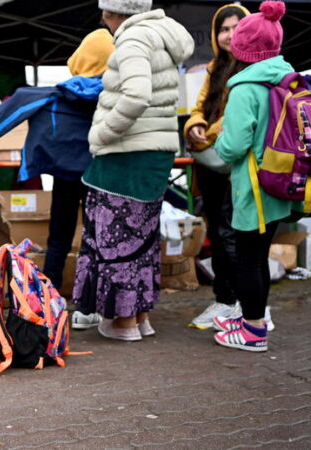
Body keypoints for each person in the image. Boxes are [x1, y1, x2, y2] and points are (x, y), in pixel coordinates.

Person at [0, 28, 115, 330]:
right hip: (100, 174)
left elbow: (17, 105)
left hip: (63, 173)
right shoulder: (115, 96)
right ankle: (88, 306)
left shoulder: (57, 92)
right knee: (96, 238)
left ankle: (47, 301)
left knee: (58, 237)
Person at [73, 0, 194, 341]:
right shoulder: (161, 34)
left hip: (125, 155)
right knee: (141, 238)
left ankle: (122, 323)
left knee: (115, 238)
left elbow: (136, 95)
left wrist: (101, 133)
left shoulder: (133, 39)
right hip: (156, 152)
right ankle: (140, 317)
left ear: (112, 13)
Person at [213, 1, 298, 352]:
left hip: (253, 184)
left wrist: (217, 144)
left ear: (243, 49)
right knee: (258, 255)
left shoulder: (245, 88)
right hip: (281, 181)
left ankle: (253, 329)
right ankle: (253, 316)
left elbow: (232, 147)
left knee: (247, 258)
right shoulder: (286, 79)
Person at [183, 4, 251, 329]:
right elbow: (200, 106)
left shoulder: (252, 68)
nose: (229, 34)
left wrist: (203, 136)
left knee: (232, 232)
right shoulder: (214, 67)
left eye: (236, 27)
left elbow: (237, 118)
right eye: (223, 29)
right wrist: (193, 125)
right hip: (210, 162)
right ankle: (223, 300)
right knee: (217, 229)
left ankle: (242, 304)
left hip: (237, 162)